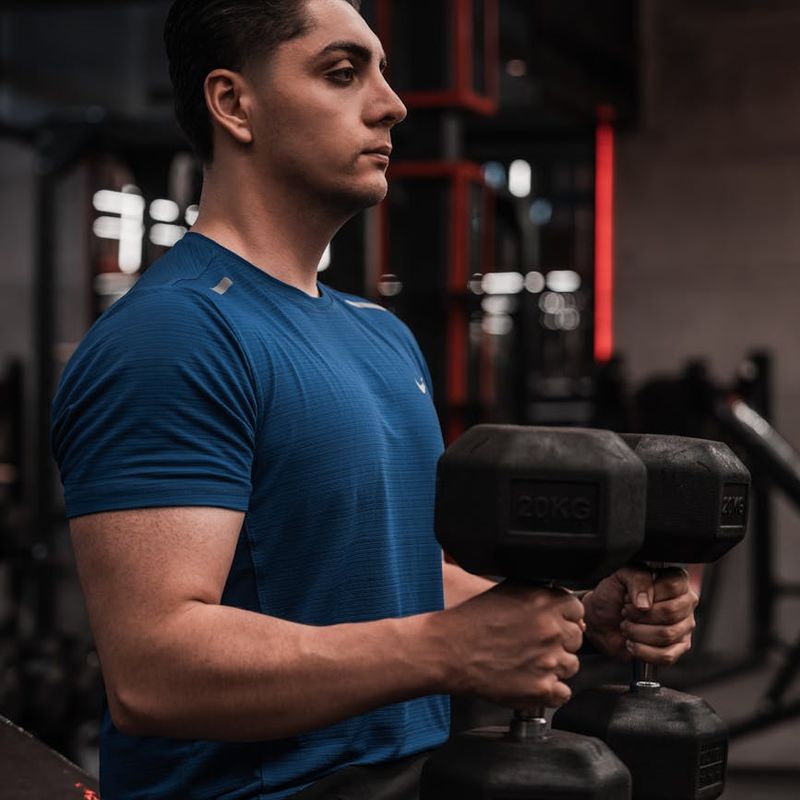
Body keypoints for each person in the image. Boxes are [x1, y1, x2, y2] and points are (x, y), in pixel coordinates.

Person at [51, 1, 698, 798]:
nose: (391, 103)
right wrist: (445, 652)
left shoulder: (380, 335)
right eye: (342, 72)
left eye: (382, 73)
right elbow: (154, 671)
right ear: (233, 104)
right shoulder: (176, 335)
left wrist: (578, 611)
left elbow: (398, 573)